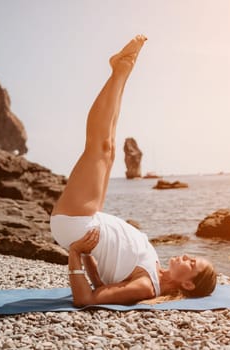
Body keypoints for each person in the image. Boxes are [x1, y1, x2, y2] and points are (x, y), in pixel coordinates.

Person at [50, 35, 216, 307]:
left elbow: (86, 299)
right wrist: (87, 259)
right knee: (109, 147)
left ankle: (121, 70)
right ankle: (121, 70)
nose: (186, 255)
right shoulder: (154, 268)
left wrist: (75, 253)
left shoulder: (145, 287)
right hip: (87, 221)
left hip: (77, 224)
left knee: (99, 148)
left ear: (187, 283)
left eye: (192, 262)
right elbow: (102, 285)